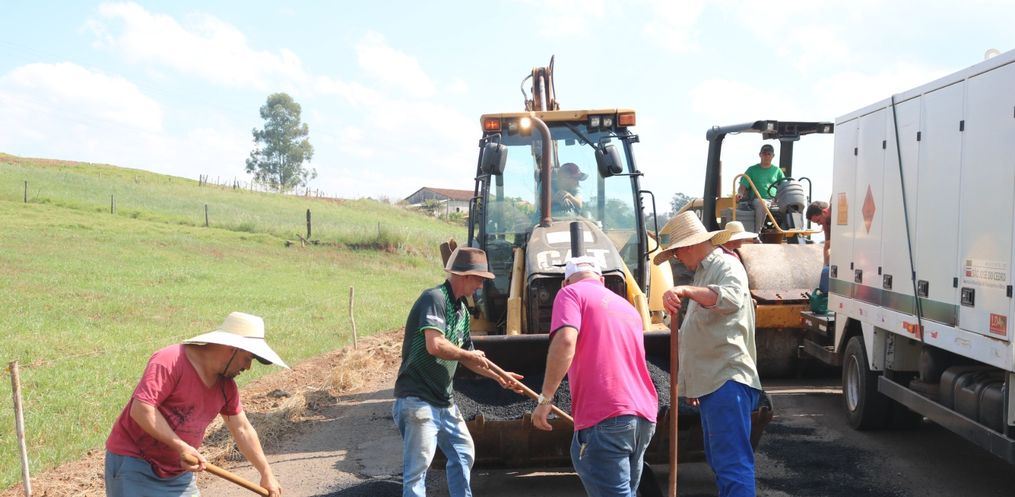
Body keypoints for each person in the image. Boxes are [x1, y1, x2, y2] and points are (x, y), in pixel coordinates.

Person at [104, 311, 288, 497]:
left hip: (179, 473)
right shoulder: (170, 360)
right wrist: (181, 446)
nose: (248, 367)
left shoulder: (226, 386)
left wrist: (266, 473)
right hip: (134, 465)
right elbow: (141, 409)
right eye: (248, 358)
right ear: (231, 348)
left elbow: (242, 429)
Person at [393, 247, 521, 497]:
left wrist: (500, 377)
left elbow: (469, 357)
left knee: (463, 452)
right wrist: (468, 355)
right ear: (464, 275)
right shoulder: (435, 299)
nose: (481, 286)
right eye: (479, 279)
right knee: (417, 472)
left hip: (444, 401)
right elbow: (435, 345)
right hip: (418, 398)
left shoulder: (462, 310)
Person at [654, 212, 762, 497]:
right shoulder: (703, 272)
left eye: (676, 251)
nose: (677, 258)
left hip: (727, 380)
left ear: (689, 245)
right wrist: (693, 384)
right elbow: (701, 333)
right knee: (721, 460)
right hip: (715, 381)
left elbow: (730, 299)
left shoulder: (726, 265)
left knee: (731, 463)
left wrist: (686, 290)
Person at [531, 256, 658, 497]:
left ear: (565, 282)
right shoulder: (628, 308)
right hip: (643, 417)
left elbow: (565, 341)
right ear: (601, 280)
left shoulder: (570, 293)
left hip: (606, 415)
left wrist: (546, 398)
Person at [736, 144, 785, 232]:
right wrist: (740, 193)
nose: (766, 156)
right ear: (760, 155)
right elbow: (743, 186)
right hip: (757, 200)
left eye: (769, 154)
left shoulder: (777, 171)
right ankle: (757, 233)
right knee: (762, 203)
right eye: (764, 154)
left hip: (773, 201)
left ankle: (793, 233)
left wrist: (779, 199)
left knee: (793, 204)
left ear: (773, 156)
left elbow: (784, 186)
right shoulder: (751, 170)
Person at [806, 200, 832, 292]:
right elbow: (827, 246)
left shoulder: (839, 214)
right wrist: (825, 268)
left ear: (824, 212)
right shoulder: (826, 224)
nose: (819, 224)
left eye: (818, 220)